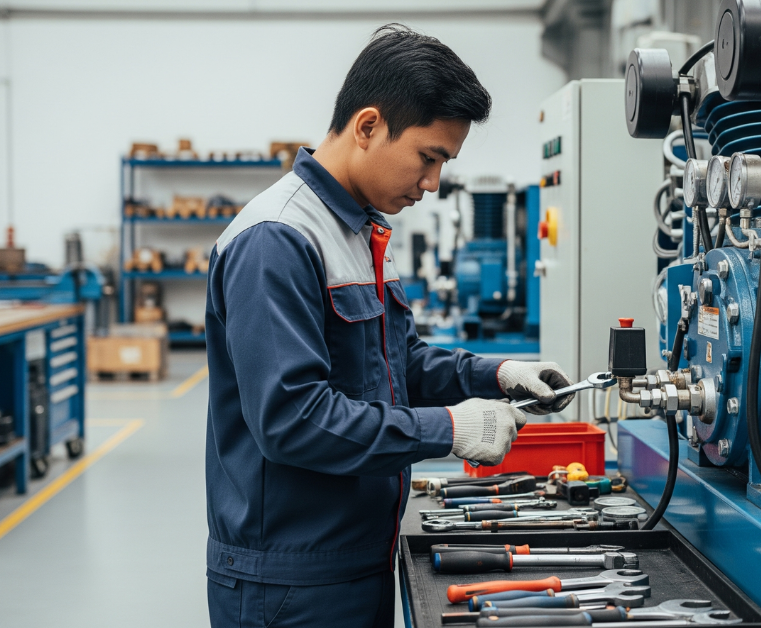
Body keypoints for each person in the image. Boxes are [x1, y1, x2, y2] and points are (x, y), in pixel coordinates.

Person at [203, 24, 575, 628]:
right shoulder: (277, 239)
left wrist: (500, 374)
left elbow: (394, 362)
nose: (432, 185)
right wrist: (450, 428)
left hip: (359, 556)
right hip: (292, 580)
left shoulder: (357, 228)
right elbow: (292, 420)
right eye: (429, 159)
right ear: (369, 126)